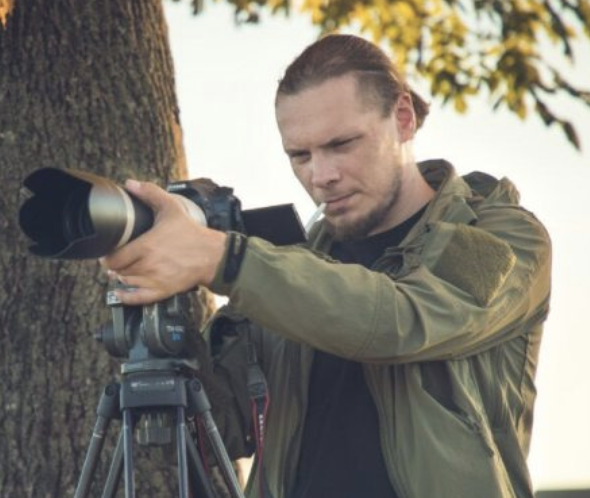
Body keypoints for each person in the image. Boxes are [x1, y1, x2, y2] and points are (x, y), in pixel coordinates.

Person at [104, 34, 552, 498]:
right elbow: (226, 427)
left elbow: (400, 322)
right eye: (300, 155)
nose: (320, 177)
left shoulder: (501, 235)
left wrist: (223, 258)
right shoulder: (287, 264)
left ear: (402, 118)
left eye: (342, 144)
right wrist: (160, 321)